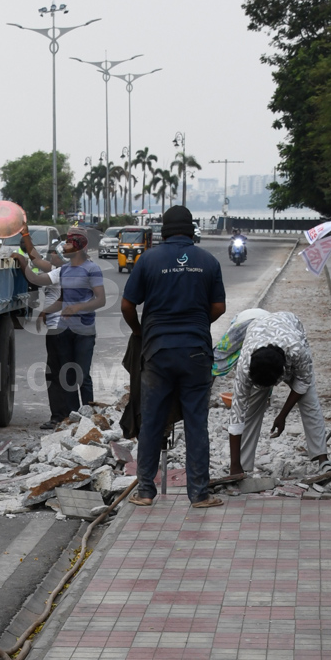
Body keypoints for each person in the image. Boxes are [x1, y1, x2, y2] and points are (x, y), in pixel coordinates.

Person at [120, 205, 226, 508]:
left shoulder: (148, 260)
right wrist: (195, 324)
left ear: (162, 230)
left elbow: (128, 305)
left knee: (152, 421)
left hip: (157, 352)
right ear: (191, 230)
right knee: (196, 422)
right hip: (196, 353)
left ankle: (144, 492)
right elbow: (218, 307)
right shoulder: (208, 261)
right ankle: (200, 494)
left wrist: (141, 332)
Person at [14, 226, 106, 423]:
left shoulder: (91, 269)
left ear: (79, 247)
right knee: (68, 376)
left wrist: (77, 308)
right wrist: (47, 311)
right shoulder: (64, 270)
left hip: (84, 330)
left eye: (68, 243)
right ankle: (73, 419)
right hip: (63, 330)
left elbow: (101, 300)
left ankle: (89, 417)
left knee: (83, 375)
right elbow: (38, 277)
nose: (64, 247)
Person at [227, 311, 328, 477]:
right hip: (259, 331)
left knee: (309, 401)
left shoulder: (298, 350)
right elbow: (236, 416)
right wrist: (233, 466)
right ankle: (241, 467)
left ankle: (323, 460)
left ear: (282, 373)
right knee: (251, 408)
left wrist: (282, 415)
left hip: (290, 325)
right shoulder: (245, 365)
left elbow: (303, 382)